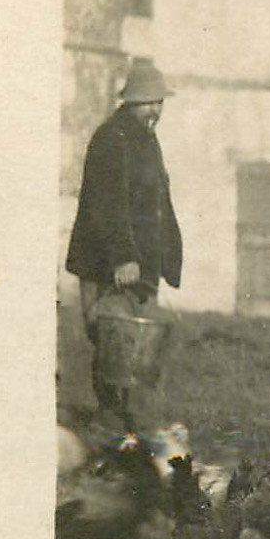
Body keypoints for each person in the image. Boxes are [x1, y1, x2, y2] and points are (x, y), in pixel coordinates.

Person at [65, 57, 183, 417]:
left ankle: (127, 427)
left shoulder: (147, 139)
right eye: (149, 103)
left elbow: (159, 198)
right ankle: (112, 426)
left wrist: (168, 254)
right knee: (113, 344)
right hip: (109, 264)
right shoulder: (111, 139)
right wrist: (123, 256)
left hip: (139, 264)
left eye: (159, 103)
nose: (156, 111)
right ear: (131, 102)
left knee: (136, 350)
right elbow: (109, 202)